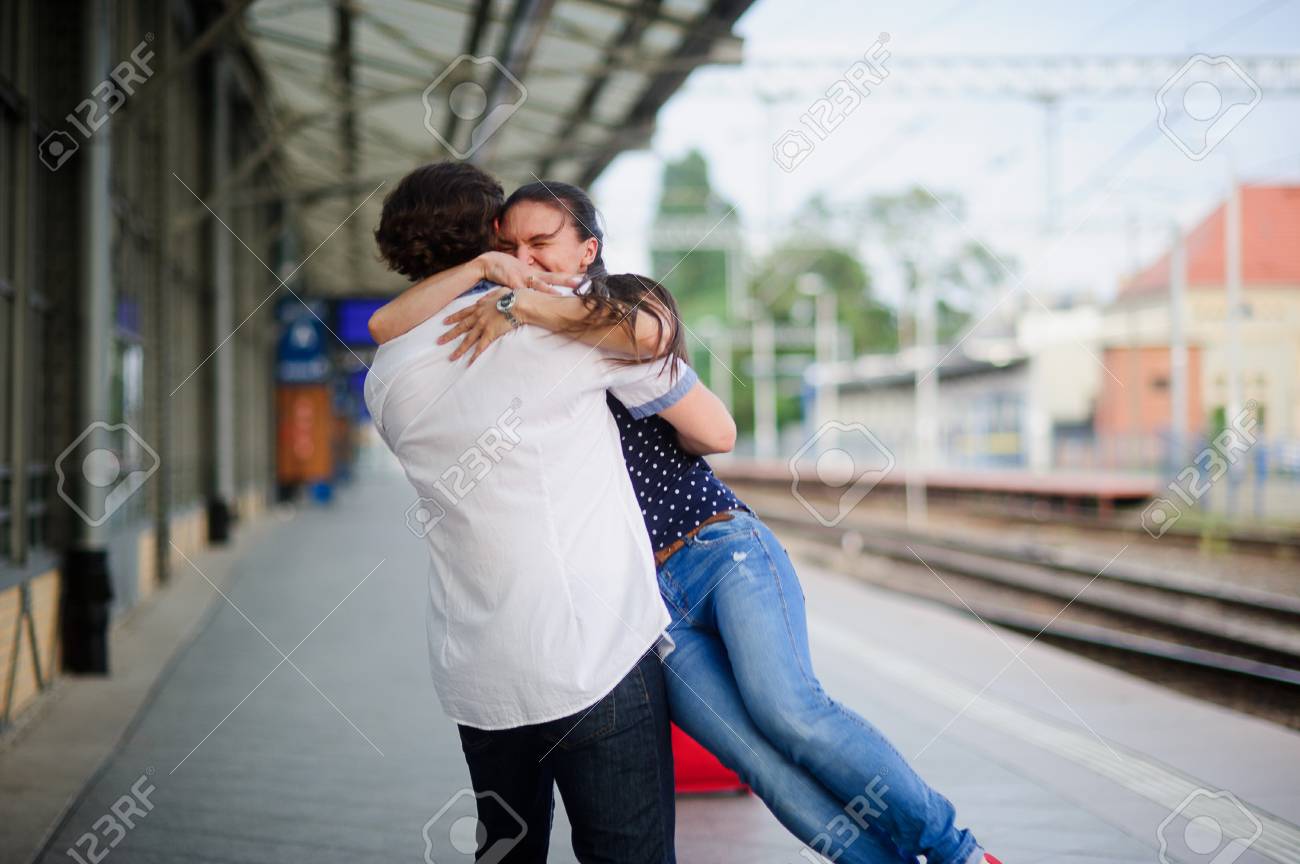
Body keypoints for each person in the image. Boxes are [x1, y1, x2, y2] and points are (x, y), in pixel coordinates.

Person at [371, 177, 1002, 864]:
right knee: (758, 762)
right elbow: (387, 326)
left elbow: (711, 421)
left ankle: (957, 851)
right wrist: (501, 294)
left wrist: (520, 302)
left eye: (541, 242)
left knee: (791, 713)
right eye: (510, 246)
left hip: (714, 547)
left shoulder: (603, 313)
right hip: (650, 604)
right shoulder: (512, 333)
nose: (526, 259)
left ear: (588, 250)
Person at [364, 162, 732, 864]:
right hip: (596, 654)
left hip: (479, 673)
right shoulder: (555, 328)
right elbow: (713, 429)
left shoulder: (384, 379)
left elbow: (392, 326)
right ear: (495, 234)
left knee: (508, 852)